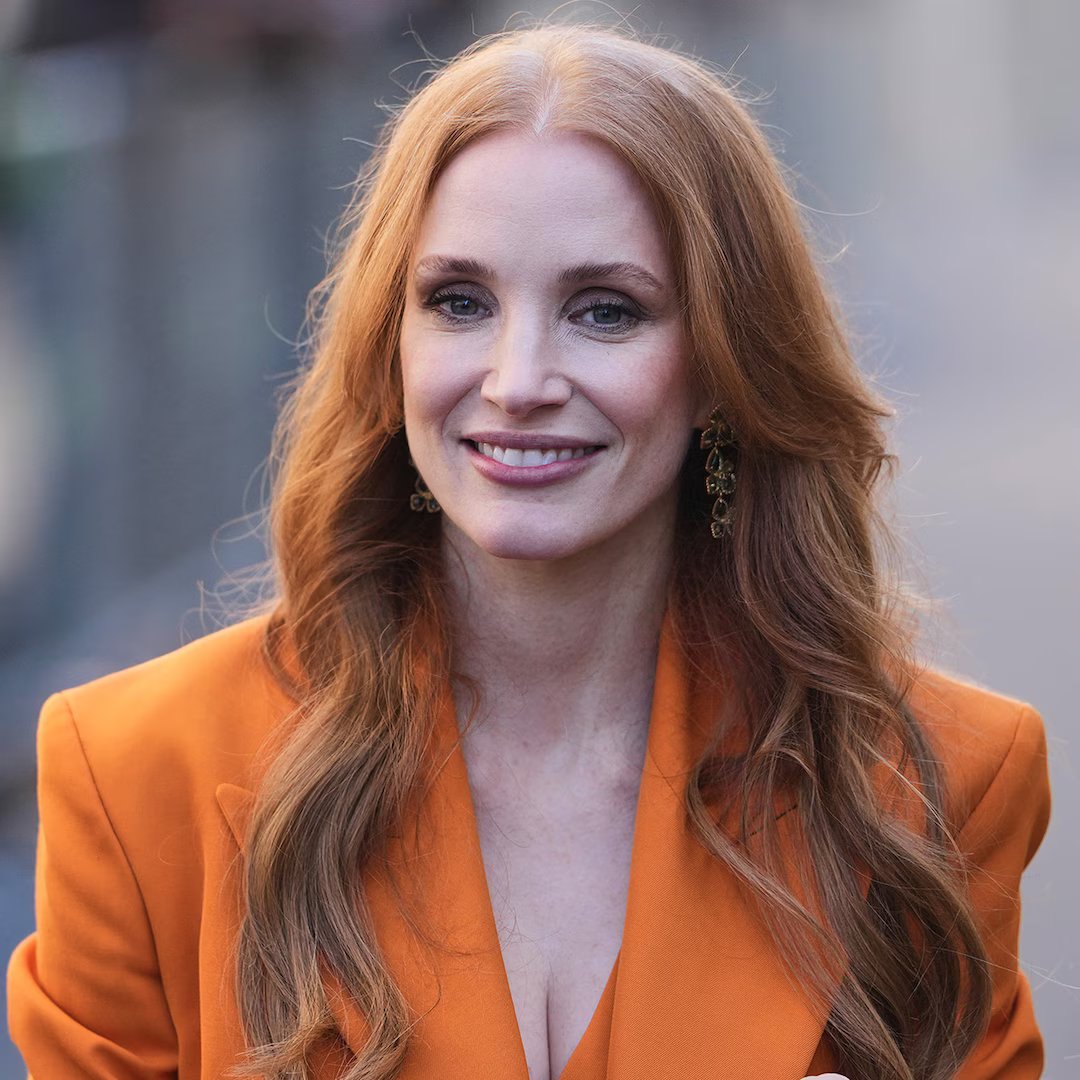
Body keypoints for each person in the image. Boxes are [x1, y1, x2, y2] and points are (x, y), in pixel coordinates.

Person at [6, 19, 1051, 1080]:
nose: (516, 380)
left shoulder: (941, 782)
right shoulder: (134, 774)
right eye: (459, 302)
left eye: (606, 312)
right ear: (391, 344)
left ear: (723, 367)